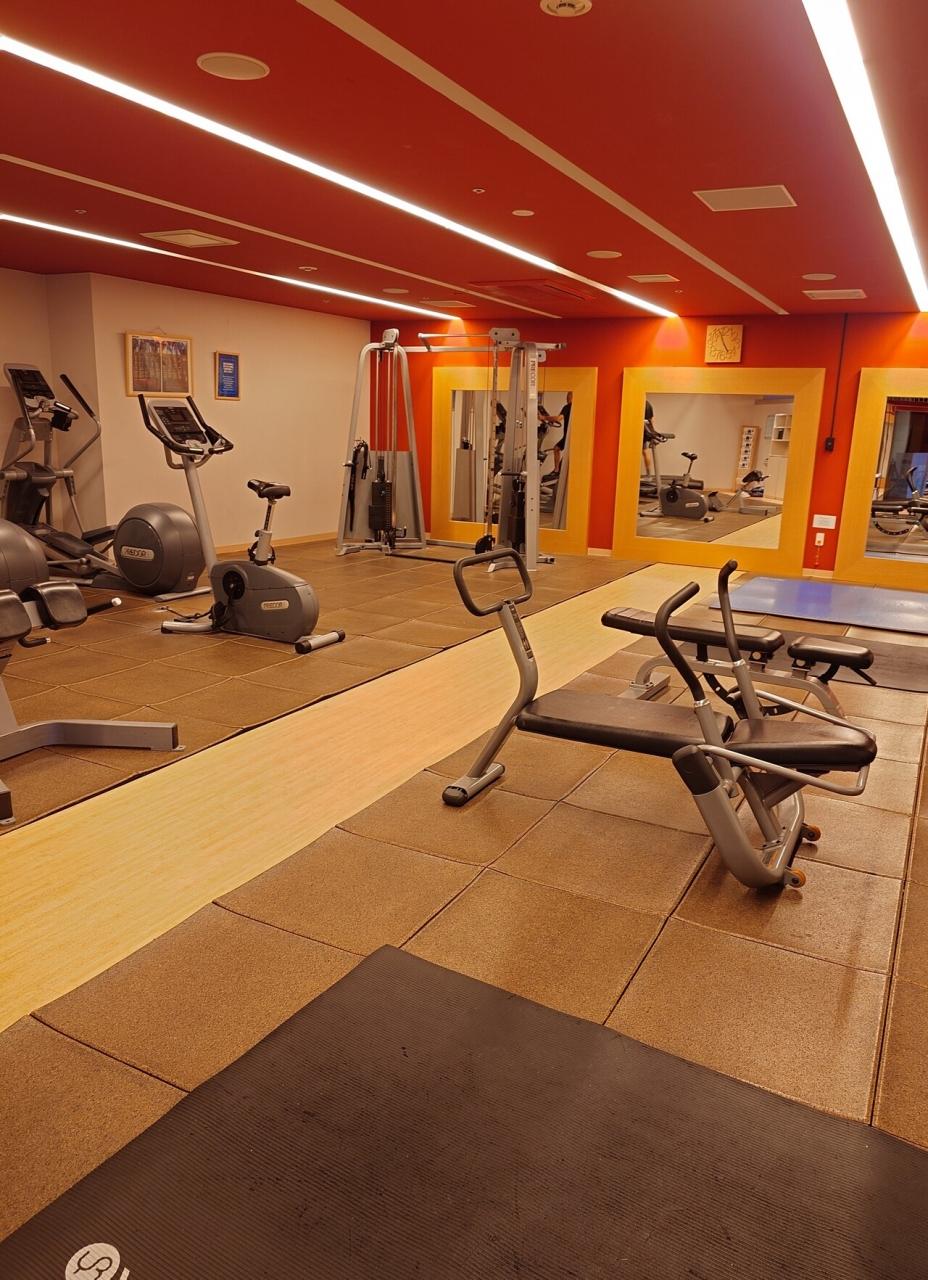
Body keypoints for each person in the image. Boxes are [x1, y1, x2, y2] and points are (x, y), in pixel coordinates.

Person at [553, 390, 573, 472]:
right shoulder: (578, 407)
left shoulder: (568, 407)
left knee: (556, 448)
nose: (567, 398)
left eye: (568, 396)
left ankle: (557, 470)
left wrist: (544, 417)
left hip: (568, 436)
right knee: (557, 448)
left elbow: (559, 418)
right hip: (569, 436)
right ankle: (557, 470)